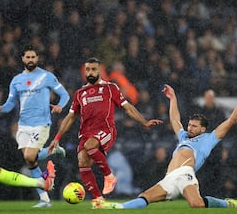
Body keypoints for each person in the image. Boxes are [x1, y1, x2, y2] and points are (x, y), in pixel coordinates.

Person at [97, 82, 237, 209]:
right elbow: (174, 120)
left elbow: (231, 121)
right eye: (189, 125)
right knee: (145, 196)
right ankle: (116, 207)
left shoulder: (209, 138)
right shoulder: (183, 137)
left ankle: (229, 204)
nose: (189, 128)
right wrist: (173, 98)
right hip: (169, 178)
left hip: (185, 173)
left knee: (197, 204)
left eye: (194, 126)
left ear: (203, 129)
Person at [48, 57, 163, 208]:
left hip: (105, 129)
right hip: (86, 132)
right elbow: (70, 118)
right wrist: (57, 137)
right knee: (82, 160)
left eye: (94, 69)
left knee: (90, 145)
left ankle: (109, 176)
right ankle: (98, 199)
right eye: (88, 69)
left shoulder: (110, 88)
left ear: (100, 71)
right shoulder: (80, 93)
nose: (90, 72)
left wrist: (144, 122)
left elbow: (127, 107)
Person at [0, 45, 70, 207]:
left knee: (29, 156)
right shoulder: (16, 80)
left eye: (33, 57)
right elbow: (10, 104)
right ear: (22, 59)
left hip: (41, 123)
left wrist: (60, 105)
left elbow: (65, 95)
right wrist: (1, 108)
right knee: (31, 162)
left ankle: (53, 150)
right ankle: (44, 200)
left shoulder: (46, 76)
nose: (31, 60)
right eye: (28, 57)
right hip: (23, 126)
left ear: (37, 59)